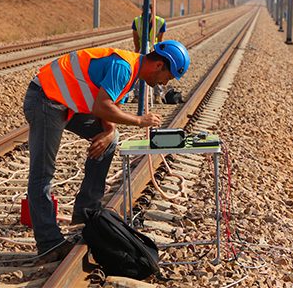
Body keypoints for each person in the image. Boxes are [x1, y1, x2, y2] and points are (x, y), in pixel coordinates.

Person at [23, 40, 190, 262]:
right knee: (43, 173)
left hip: (65, 103)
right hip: (45, 100)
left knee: (111, 140)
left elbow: (109, 106)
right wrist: (140, 121)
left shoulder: (131, 73)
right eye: (167, 78)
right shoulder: (123, 67)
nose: (163, 84)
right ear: (159, 65)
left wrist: (109, 132)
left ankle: (86, 214)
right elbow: (101, 107)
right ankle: (48, 243)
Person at [132, 5, 166, 104]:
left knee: (157, 70)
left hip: (154, 49)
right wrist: (137, 49)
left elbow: (160, 40)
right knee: (139, 71)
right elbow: (135, 37)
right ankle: (138, 95)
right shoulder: (137, 21)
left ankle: (157, 96)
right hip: (143, 49)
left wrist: (159, 52)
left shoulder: (160, 22)